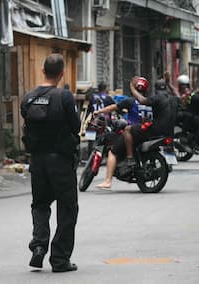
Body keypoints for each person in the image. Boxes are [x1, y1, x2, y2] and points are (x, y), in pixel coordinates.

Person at [21, 54, 80, 273]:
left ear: (43, 71)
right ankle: (60, 259)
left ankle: (38, 246)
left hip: (37, 161)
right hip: (61, 161)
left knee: (40, 204)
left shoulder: (28, 98)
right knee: (67, 208)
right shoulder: (64, 97)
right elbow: (75, 126)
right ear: (62, 73)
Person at [92, 79, 152, 190]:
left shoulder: (131, 101)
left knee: (113, 152)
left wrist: (99, 112)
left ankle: (107, 181)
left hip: (133, 134)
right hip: (147, 134)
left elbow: (113, 108)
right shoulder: (150, 102)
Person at [123, 77, 178, 167]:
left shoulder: (156, 98)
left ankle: (130, 158)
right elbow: (178, 95)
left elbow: (142, 100)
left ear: (155, 89)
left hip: (156, 131)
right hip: (170, 133)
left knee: (128, 130)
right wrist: (169, 84)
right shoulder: (174, 99)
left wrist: (132, 88)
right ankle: (168, 163)